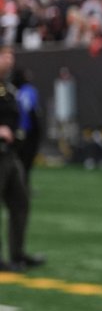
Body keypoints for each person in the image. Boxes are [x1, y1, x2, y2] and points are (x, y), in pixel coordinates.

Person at [0, 46, 38, 272]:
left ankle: (17, 254)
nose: (10, 60)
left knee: (20, 203)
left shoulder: (8, 87)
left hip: (9, 154)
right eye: (5, 55)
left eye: (12, 55)